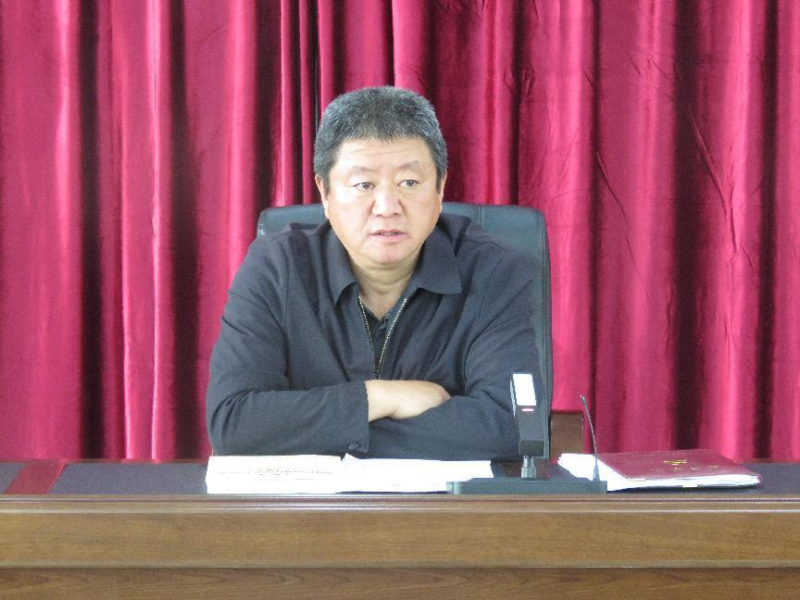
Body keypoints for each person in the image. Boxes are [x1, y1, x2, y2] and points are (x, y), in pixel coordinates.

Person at [206, 86, 539, 459]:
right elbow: (234, 424)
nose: (387, 207)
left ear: (440, 188)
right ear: (325, 193)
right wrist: (378, 397)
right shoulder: (277, 267)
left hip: (441, 500)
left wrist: (321, 433)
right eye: (364, 185)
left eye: (408, 183)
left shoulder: (493, 271)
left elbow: (512, 427)